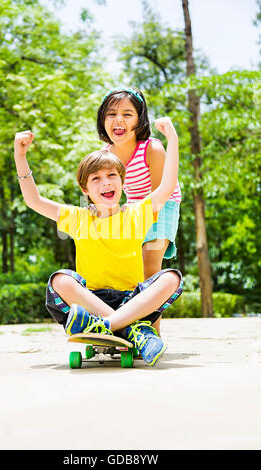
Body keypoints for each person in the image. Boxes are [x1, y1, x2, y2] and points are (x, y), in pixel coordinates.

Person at [13, 117, 183, 367]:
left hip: (131, 301)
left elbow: (168, 185)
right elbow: (33, 200)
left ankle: (106, 326)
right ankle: (131, 330)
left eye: (112, 175)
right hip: (90, 301)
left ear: (122, 183)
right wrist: (20, 155)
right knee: (59, 280)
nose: (106, 182)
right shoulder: (77, 217)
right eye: (96, 179)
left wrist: (173, 140)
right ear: (85, 189)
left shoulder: (138, 213)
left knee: (172, 278)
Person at [97, 87, 182, 334]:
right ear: (103, 120)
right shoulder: (106, 155)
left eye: (127, 114)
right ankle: (128, 324)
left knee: (150, 264)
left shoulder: (151, 148)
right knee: (128, 269)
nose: (118, 120)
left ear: (140, 119)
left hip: (163, 205)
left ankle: (152, 332)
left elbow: (160, 194)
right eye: (111, 114)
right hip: (134, 207)